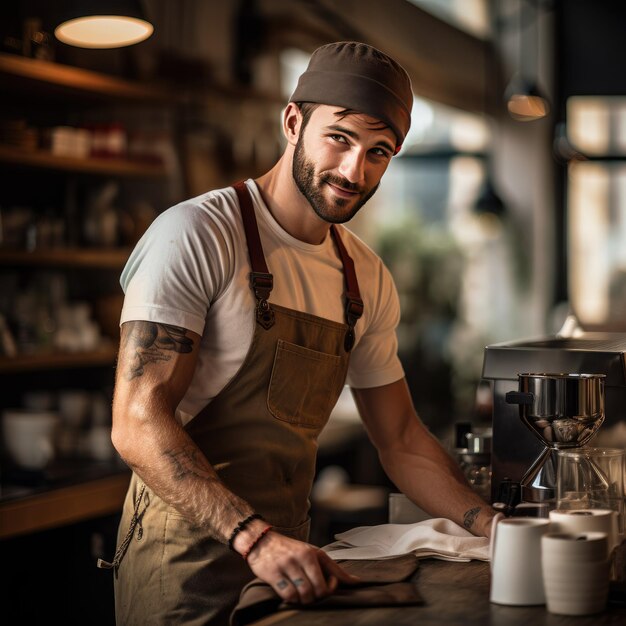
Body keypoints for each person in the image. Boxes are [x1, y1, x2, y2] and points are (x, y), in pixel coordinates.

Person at [105, 41, 496, 625]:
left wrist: (496, 528)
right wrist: (255, 539)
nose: (353, 171)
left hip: (293, 568)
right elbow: (136, 421)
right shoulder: (196, 234)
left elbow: (402, 441)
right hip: (183, 566)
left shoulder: (365, 276)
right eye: (339, 137)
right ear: (293, 122)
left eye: (379, 152)